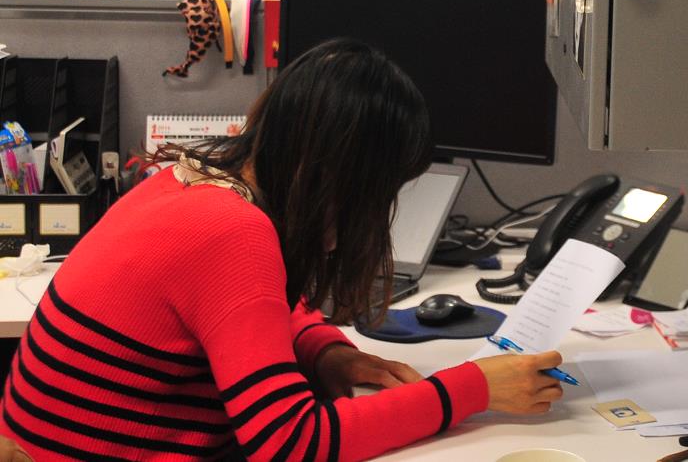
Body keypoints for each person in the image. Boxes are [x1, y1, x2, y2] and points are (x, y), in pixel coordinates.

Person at [0, 39, 565, 461]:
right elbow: (291, 443)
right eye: (383, 188)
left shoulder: (189, 177)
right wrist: (473, 388)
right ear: (342, 176)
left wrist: (324, 350)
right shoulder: (232, 231)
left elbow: (248, 311)